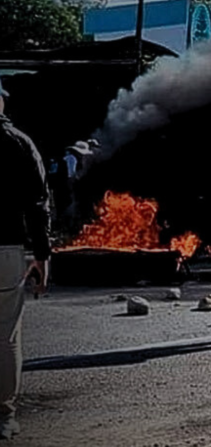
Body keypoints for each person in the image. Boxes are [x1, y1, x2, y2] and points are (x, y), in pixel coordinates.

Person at [0, 78, 51, 440]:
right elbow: (37, 203)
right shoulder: (18, 142)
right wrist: (42, 255)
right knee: (5, 335)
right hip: (6, 249)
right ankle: (3, 417)